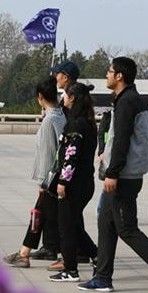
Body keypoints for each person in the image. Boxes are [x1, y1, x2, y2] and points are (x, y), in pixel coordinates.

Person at [79, 57, 148, 293]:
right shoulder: (130, 100)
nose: (106, 75)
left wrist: (112, 173)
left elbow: (122, 140)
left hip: (123, 177)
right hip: (125, 173)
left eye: (109, 72)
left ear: (119, 76)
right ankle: (103, 277)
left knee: (126, 228)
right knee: (106, 223)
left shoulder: (128, 102)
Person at [3, 76, 68, 268]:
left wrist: (42, 182)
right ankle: (25, 252)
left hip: (51, 178)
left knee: (46, 216)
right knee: (40, 215)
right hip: (57, 177)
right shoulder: (60, 115)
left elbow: (49, 153)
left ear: (40, 96)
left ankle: (26, 254)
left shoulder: (50, 120)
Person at [49, 83, 100, 282]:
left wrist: (63, 181)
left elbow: (72, 155)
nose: (63, 98)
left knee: (66, 227)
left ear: (73, 98)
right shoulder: (85, 122)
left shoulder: (76, 124)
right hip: (84, 182)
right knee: (75, 225)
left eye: (66, 95)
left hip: (74, 183)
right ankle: (97, 256)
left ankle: (70, 269)